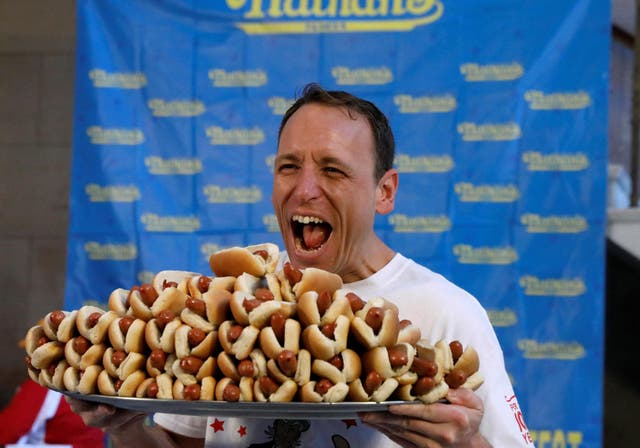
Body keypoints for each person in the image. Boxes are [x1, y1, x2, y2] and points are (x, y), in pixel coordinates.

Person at [68, 83, 531, 447]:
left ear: (384, 192)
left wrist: (464, 446)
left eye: (333, 169)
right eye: (289, 167)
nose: (304, 189)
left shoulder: (445, 312)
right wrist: (126, 427)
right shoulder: (229, 303)